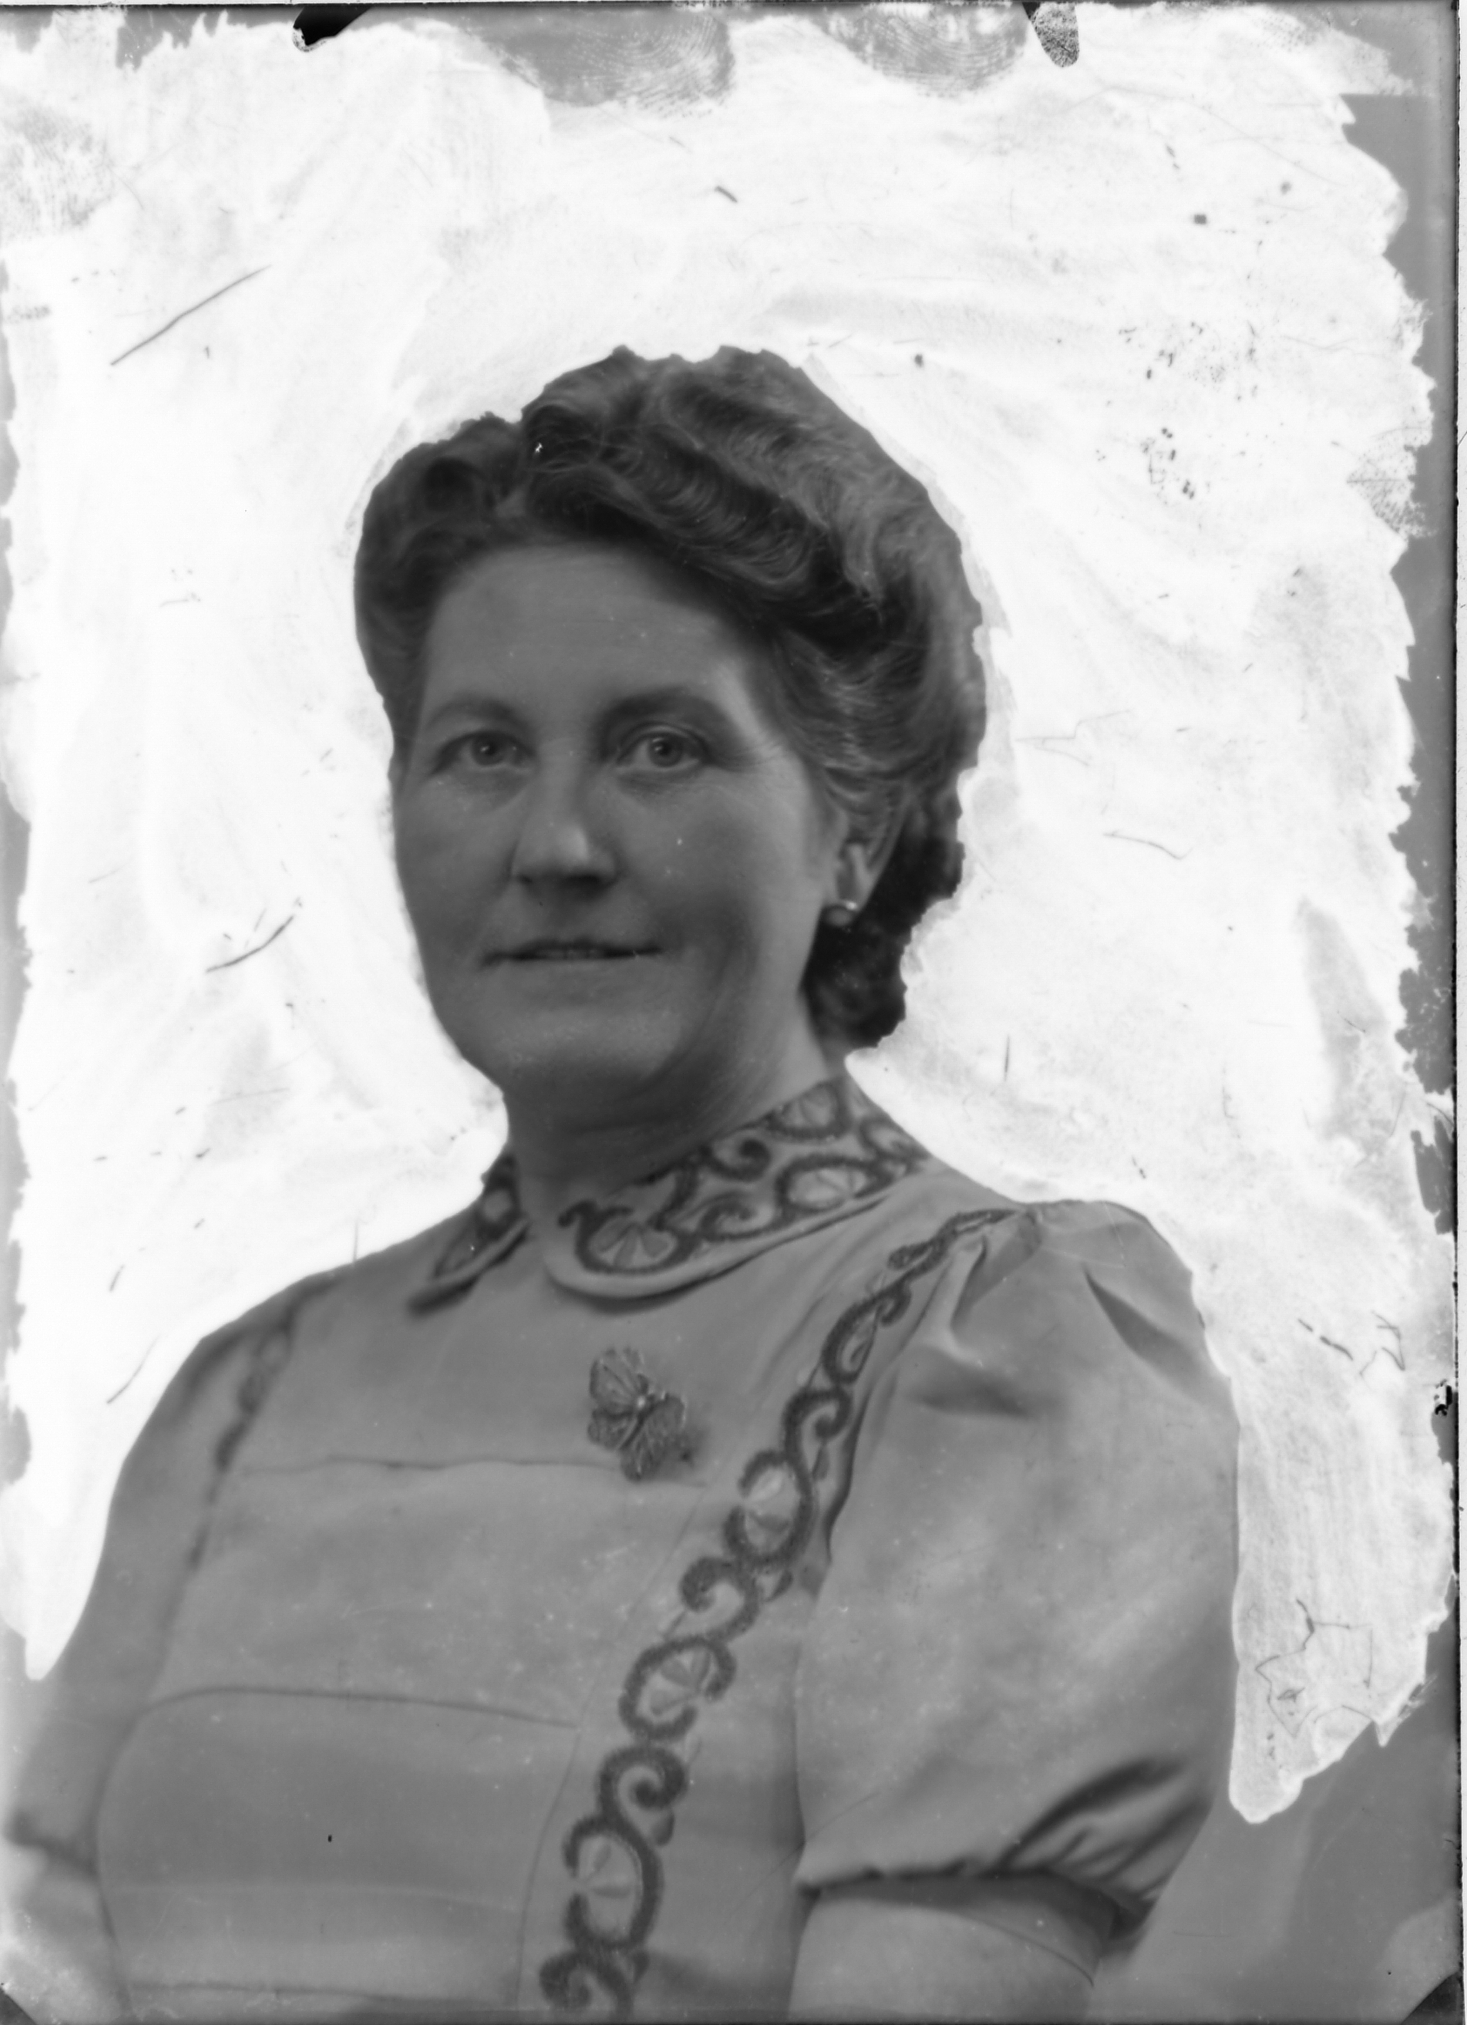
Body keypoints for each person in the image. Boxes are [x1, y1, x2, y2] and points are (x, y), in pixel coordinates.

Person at [3, 347, 1238, 2024]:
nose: (557, 845)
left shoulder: (1002, 1355)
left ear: (856, 832)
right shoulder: (248, 1391)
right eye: (481, 750)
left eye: (661, 747)